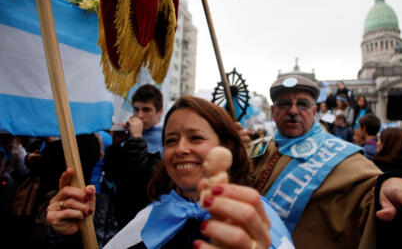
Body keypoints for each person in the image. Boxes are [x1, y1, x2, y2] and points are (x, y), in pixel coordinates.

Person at [250, 74, 402, 248]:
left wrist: (387, 185)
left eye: (302, 104)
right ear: (272, 111)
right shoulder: (257, 149)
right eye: (283, 104)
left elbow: (370, 187)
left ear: (315, 110)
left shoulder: (340, 154)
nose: (293, 111)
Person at [46, 96, 294, 249]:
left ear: (226, 147)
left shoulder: (258, 219)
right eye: (171, 140)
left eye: (196, 138)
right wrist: (66, 237)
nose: (181, 149)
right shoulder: (149, 218)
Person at [102, 84, 164, 228]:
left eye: (146, 110)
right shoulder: (129, 137)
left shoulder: (165, 139)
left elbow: (146, 180)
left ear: (159, 112)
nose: (140, 115)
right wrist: (116, 145)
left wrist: (137, 138)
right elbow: (112, 177)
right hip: (124, 216)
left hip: (150, 217)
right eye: (136, 109)